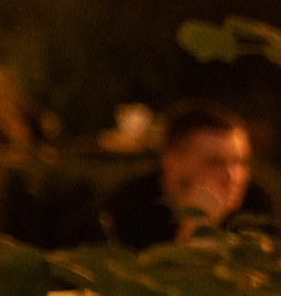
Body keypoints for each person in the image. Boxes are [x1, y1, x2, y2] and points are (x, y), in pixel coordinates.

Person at [100, 102, 269, 247]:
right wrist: (197, 228)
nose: (233, 176)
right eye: (214, 163)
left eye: (240, 162)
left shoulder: (255, 205)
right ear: (171, 162)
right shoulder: (130, 209)